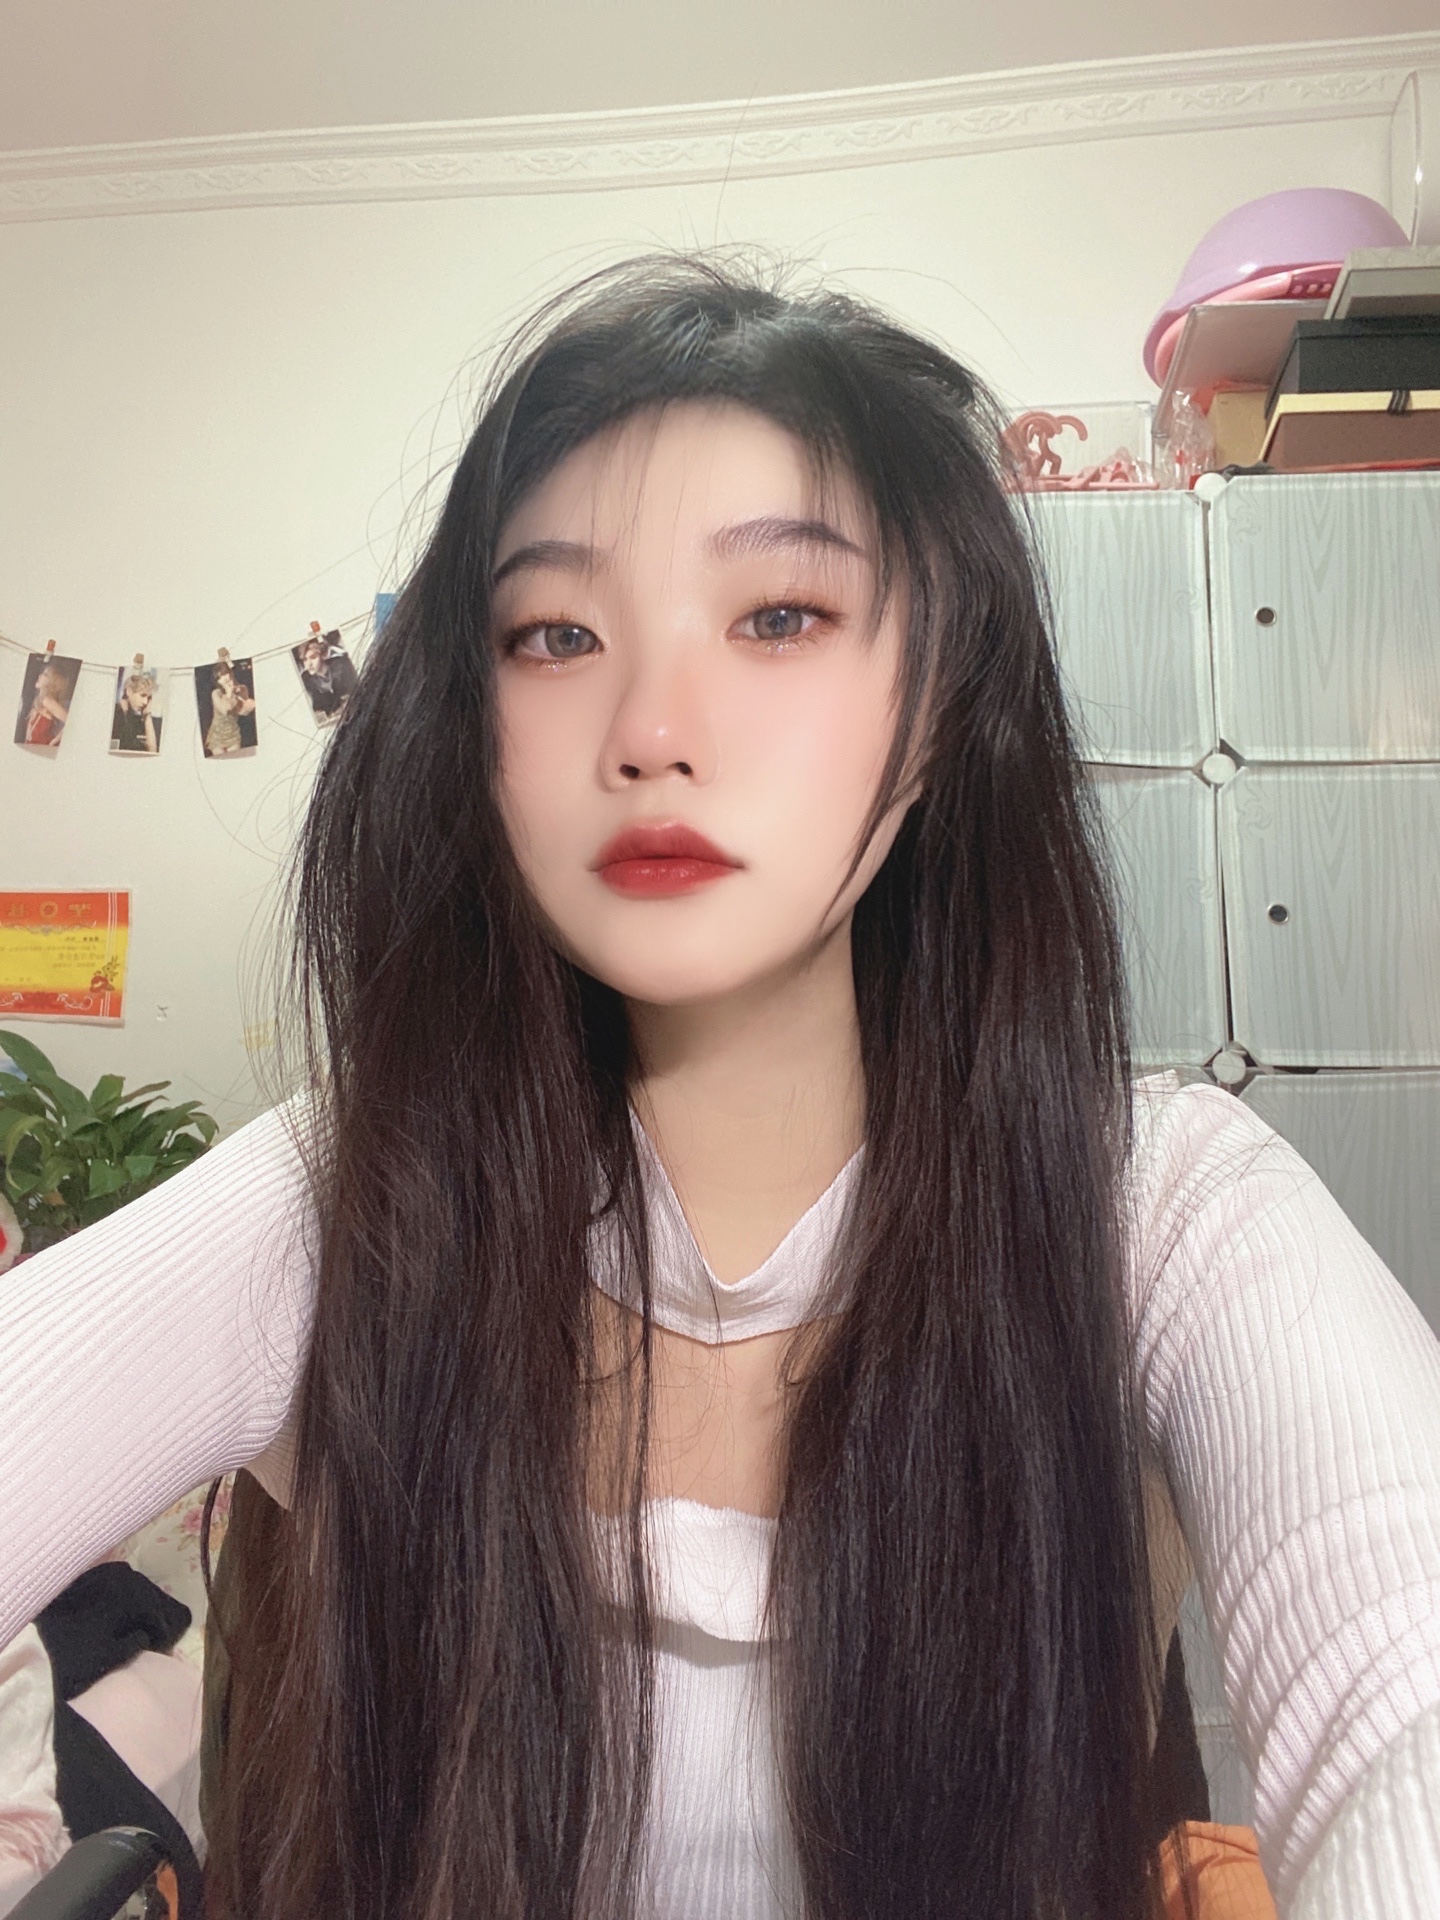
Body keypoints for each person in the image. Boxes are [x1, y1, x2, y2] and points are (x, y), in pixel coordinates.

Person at [3, 258, 1439, 1920]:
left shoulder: (1158, 1203)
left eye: (778, 617)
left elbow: (1403, 1699)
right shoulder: (353, 1197)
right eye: (554, 635)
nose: (650, 728)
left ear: (941, 702)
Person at [295, 634, 358, 721]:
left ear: (323, 656)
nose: (309, 664)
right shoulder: (307, 681)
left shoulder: (342, 666)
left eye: (313, 657)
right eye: (305, 660)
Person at [17, 659, 73, 748]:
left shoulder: (48, 701)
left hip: (41, 748)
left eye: (45, 674)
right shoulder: (41, 700)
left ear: (51, 683)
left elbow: (71, 722)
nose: (40, 676)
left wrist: (53, 742)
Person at [203, 666, 255, 757]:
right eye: (220, 677)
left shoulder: (241, 689)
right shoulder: (216, 693)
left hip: (233, 735)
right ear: (218, 681)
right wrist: (229, 693)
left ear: (230, 674)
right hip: (217, 736)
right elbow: (224, 709)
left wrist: (245, 702)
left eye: (225, 674)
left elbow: (243, 712)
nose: (224, 678)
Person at [111, 668, 162, 754]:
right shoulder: (115, 716)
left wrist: (147, 715)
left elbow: (152, 750)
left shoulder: (131, 718)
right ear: (129, 691)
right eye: (142, 695)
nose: (145, 702)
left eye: (148, 698)